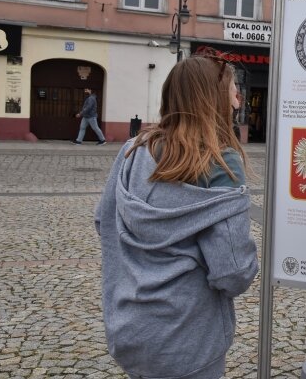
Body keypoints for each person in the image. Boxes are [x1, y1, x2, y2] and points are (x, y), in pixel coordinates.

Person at [94, 55, 258, 379]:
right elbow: (234, 272)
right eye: (233, 91)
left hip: (129, 326)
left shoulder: (132, 151)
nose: (238, 99)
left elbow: (104, 222)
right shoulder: (221, 166)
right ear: (212, 101)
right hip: (188, 340)